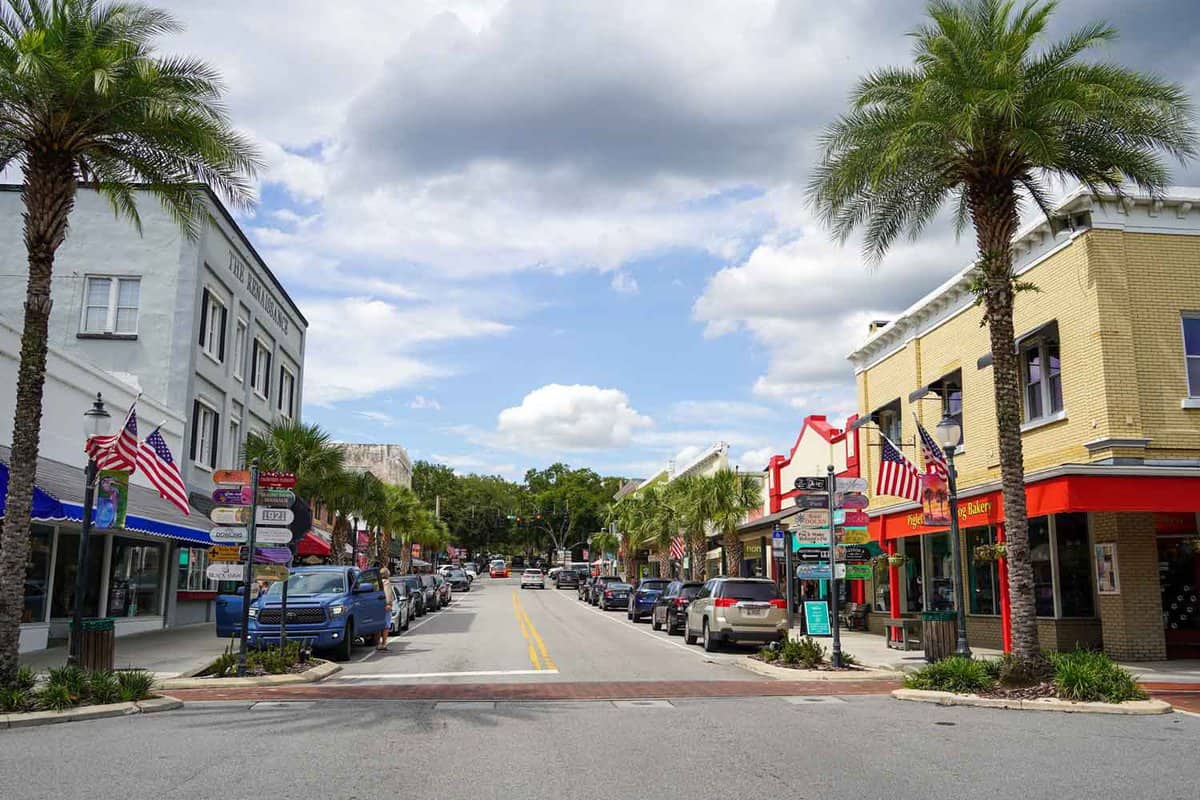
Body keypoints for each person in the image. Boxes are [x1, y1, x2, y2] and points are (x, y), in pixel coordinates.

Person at [377, 567, 393, 651]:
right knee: (386, 625)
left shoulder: (377, 583)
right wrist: (389, 604)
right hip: (385, 606)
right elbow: (388, 594)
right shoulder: (386, 583)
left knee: (378, 625)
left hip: (377, 606)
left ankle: (378, 643)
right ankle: (384, 643)